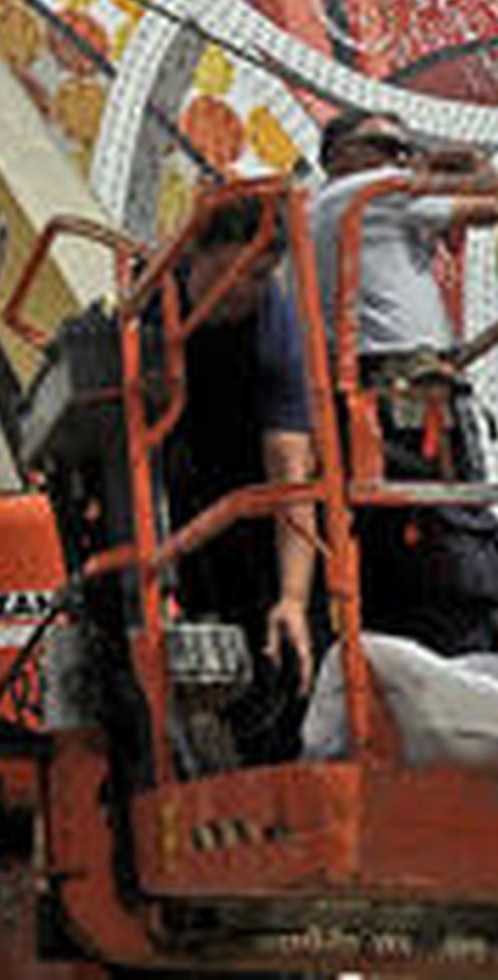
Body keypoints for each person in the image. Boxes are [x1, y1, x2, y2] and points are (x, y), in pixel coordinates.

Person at [313, 108, 498, 658]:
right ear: (341, 155)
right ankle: (464, 662)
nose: (398, 157)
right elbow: (492, 205)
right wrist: (469, 161)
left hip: (362, 394)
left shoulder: (318, 206)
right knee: (454, 531)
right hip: (412, 391)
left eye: (404, 147)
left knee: (390, 542)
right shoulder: (380, 189)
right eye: (383, 144)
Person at [159, 192, 319, 764]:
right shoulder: (145, 302)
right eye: (227, 275)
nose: (240, 292)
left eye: (256, 277)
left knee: (282, 651)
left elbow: (290, 469)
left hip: (246, 496)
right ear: (192, 258)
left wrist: (293, 598)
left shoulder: (273, 324)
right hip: (169, 488)